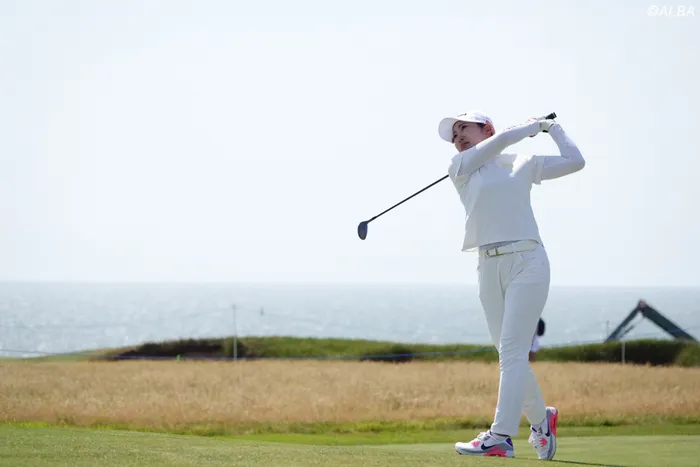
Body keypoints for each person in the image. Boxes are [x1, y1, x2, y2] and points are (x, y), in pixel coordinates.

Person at [437, 111, 585, 460]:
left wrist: (552, 128)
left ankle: (500, 436)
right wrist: (531, 126)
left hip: (528, 261)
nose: (458, 137)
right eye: (454, 135)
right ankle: (542, 422)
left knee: (512, 352)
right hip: (488, 266)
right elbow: (502, 139)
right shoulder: (460, 166)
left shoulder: (522, 162)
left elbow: (575, 161)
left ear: (485, 128)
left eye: (463, 128)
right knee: (509, 354)